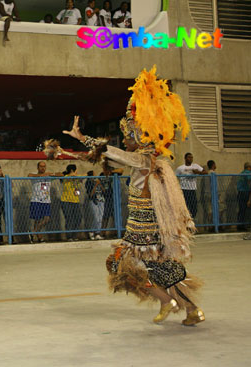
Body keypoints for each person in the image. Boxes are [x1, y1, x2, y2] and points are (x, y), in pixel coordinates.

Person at [60, 66, 205, 326]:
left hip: (142, 233)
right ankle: (193, 310)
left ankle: (165, 300)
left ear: (138, 136)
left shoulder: (143, 160)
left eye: (127, 136)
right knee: (163, 271)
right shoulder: (151, 161)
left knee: (120, 268)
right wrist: (70, 150)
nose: (124, 140)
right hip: (149, 231)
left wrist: (83, 136)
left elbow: (112, 152)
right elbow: (105, 157)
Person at [28, 161, 63, 243]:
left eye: (44, 166)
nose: (43, 168)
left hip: (46, 201)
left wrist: (51, 174)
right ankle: (39, 237)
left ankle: (33, 232)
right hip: (36, 200)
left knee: (46, 219)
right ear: (37, 167)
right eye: (41, 166)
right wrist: (41, 175)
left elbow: (61, 174)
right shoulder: (34, 174)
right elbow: (29, 175)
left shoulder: (48, 176)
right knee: (37, 219)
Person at [175, 153, 206, 219]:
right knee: (184, 207)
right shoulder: (180, 168)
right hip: (184, 189)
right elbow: (174, 176)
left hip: (192, 189)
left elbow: (205, 172)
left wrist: (198, 172)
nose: (191, 159)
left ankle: (190, 219)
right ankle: (185, 220)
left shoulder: (195, 166)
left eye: (192, 157)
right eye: (189, 157)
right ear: (185, 158)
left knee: (194, 207)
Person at [60, 164, 82, 241]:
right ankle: (69, 236)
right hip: (66, 201)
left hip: (75, 200)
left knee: (78, 217)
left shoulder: (77, 178)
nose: (77, 172)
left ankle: (74, 235)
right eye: (76, 170)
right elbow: (69, 177)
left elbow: (78, 186)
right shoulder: (66, 177)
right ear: (72, 170)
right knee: (69, 218)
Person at [85, 170, 105, 240]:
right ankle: (91, 231)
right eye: (94, 174)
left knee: (100, 217)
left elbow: (104, 191)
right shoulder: (88, 182)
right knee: (96, 217)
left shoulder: (98, 182)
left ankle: (97, 233)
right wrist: (96, 185)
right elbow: (90, 194)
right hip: (94, 200)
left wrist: (99, 184)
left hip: (101, 200)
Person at [236, 162, 251, 230]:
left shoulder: (241, 173)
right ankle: (243, 225)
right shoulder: (248, 172)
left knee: (241, 209)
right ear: (249, 167)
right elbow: (249, 180)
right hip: (245, 192)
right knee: (244, 210)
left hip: (240, 192)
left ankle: (240, 224)